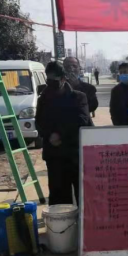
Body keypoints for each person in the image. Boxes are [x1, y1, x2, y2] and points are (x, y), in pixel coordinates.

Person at [35, 61, 91, 205]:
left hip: (75, 154)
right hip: (54, 156)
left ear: (63, 79)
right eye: (48, 80)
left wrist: (59, 134)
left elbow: (82, 120)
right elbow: (39, 122)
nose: (50, 83)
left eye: (54, 80)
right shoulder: (44, 99)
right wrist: (49, 135)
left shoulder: (78, 97)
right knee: (58, 197)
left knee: (83, 197)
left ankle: (81, 219)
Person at [62, 56, 98, 120]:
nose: (71, 69)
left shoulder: (89, 88)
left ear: (79, 68)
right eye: (67, 66)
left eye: (74, 66)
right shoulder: (56, 88)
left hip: (82, 123)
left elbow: (93, 106)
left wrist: (76, 86)